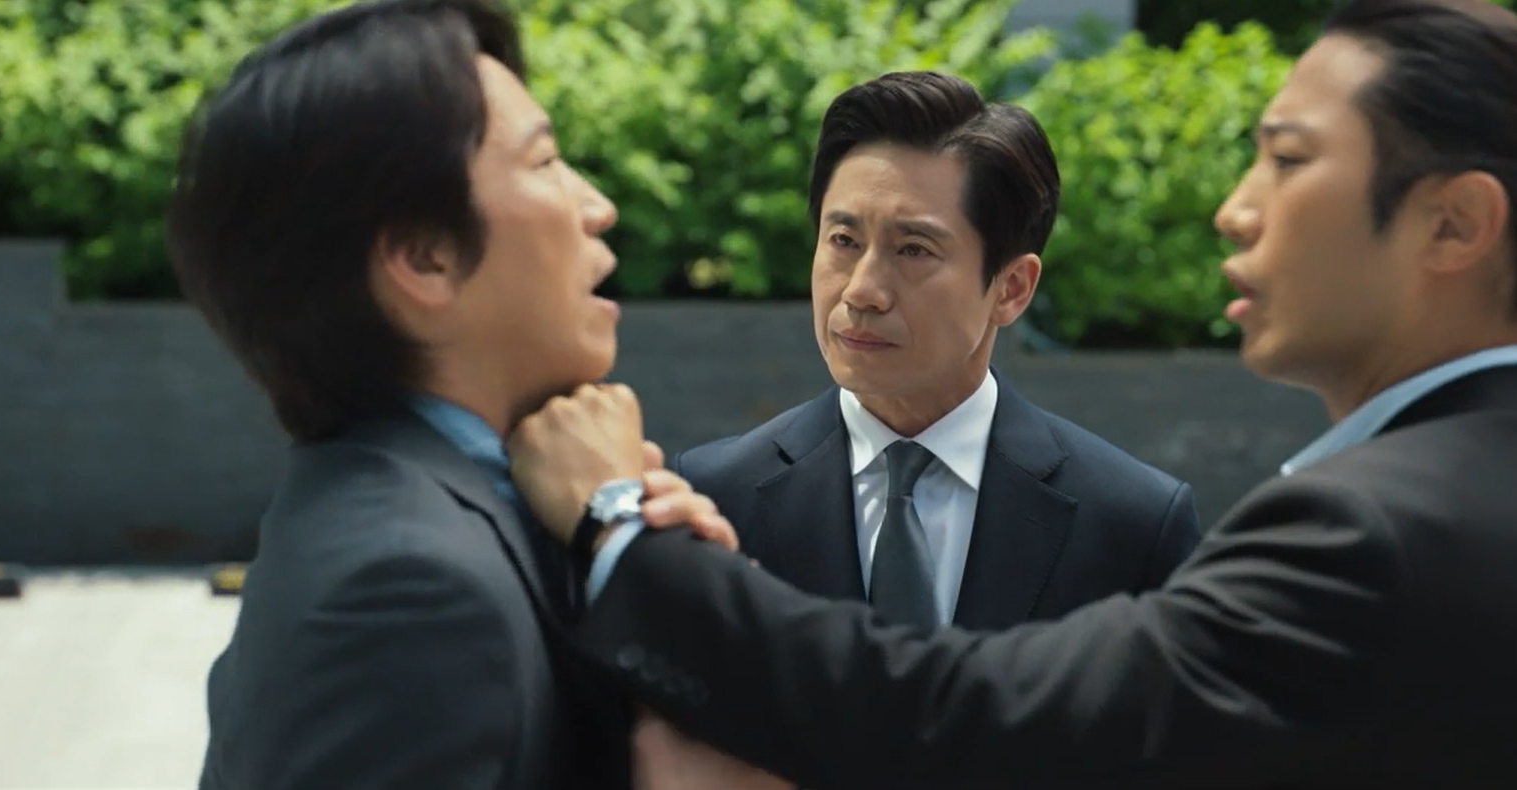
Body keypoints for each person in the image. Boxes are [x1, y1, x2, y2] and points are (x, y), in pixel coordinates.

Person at [506, 0, 1517, 786]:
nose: (1232, 209)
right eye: (841, 239)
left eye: (1287, 160)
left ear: (1454, 224)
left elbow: (969, 714)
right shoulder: (712, 484)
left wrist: (620, 527)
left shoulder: (1356, 535)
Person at [165, 1, 683, 786]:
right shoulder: (407, 588)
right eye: (545, 162)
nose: (596, 207)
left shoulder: (437, 512)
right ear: (425, 257)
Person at [670, 71, 1201, 633]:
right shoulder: (711, 497)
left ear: (1011, 288)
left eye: (913, 250)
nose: (861, 291)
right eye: (844, 241)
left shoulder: (1131, 525)